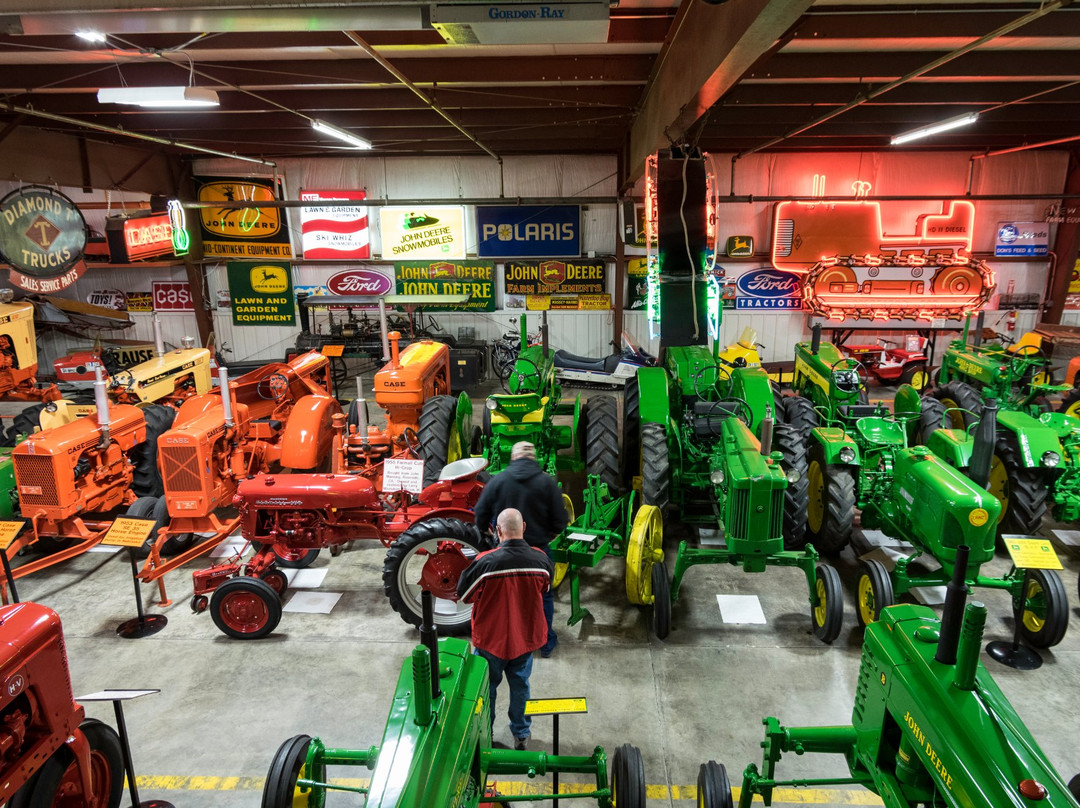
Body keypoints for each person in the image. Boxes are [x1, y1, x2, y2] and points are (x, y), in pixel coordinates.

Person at [457, 507, 553, 750]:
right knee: (521, 686)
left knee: (486, 689)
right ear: (524, 528)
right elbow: (545, 589)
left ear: (498, 531)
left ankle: (485, 735)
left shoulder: (484, 562)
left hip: (491, 641)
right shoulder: (541, 560)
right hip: (525, 639)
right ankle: (521, 734)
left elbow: (464, 595)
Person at [472, 441, 569, 656]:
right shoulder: (547, 483)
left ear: (513, 457)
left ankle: (508, 642)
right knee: (543, 596)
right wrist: (548, 536)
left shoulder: (498, 481)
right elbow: (561, 521)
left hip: (504, 554)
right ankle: (545, 643)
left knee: (504, 597)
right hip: (538, 553)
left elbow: (480, 514)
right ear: (534, 458)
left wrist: (490, 533)